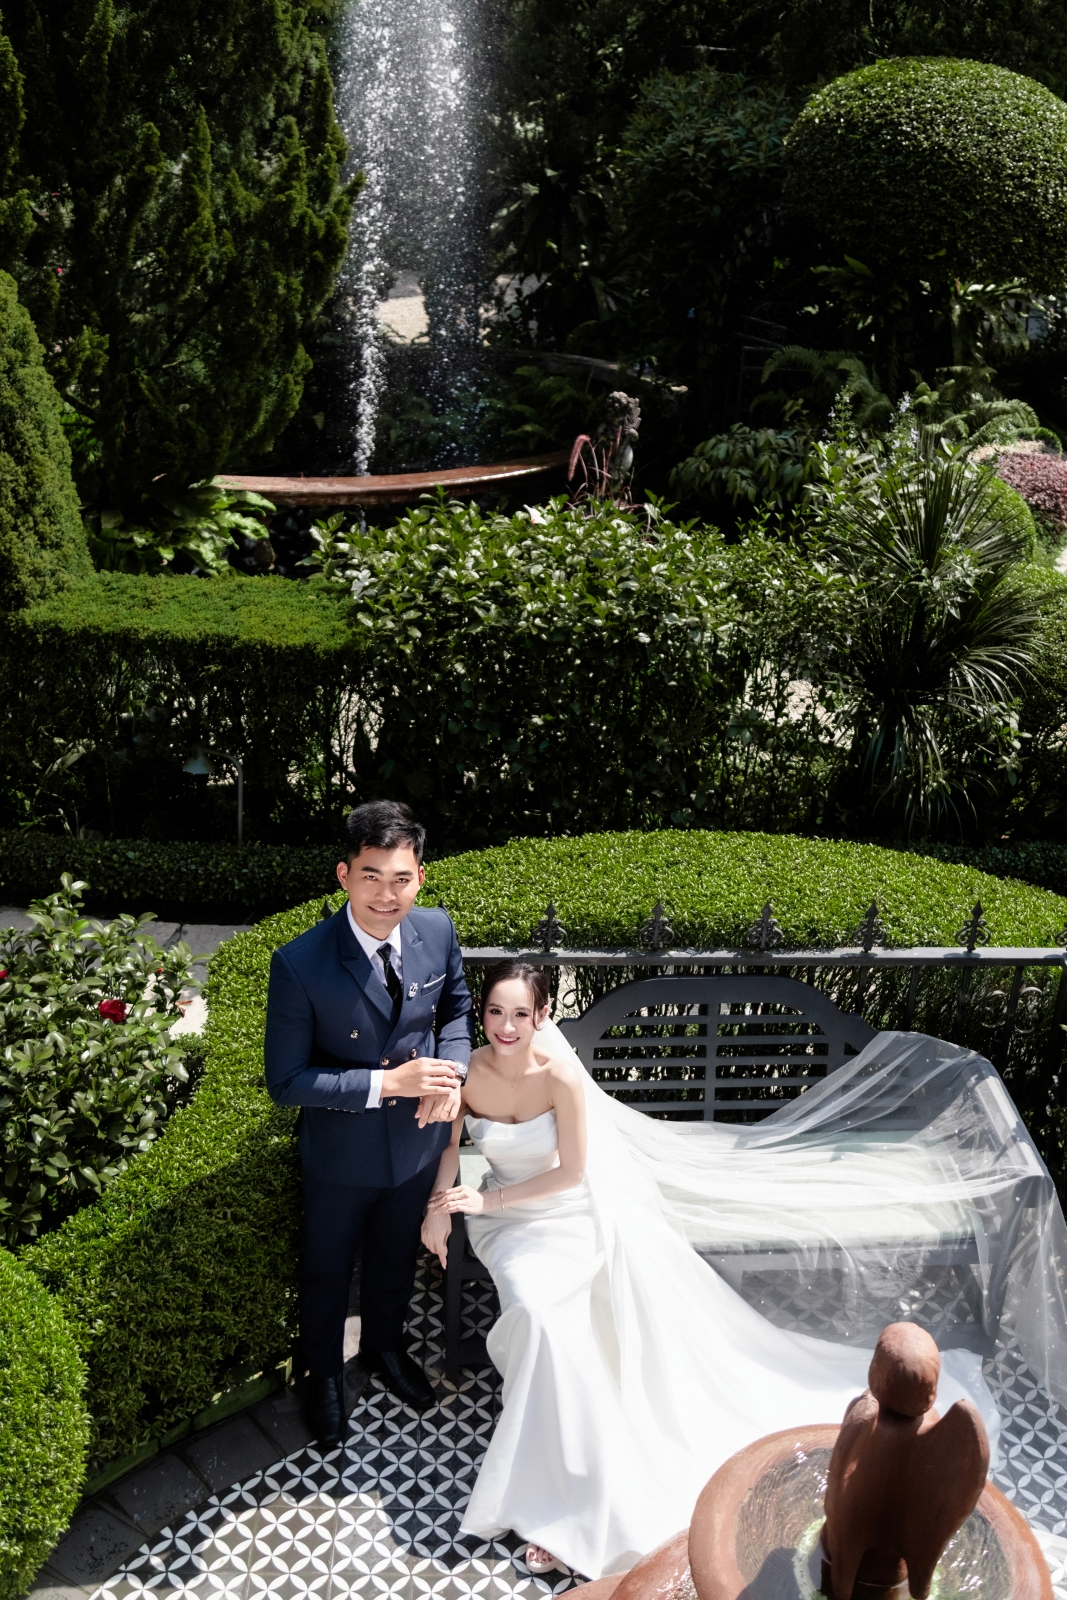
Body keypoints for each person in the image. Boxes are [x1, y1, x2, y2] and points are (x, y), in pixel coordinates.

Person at [421, 960, 1021, 1582]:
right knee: (540, 1316)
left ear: (542, 1016)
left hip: (565, 1212)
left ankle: (561, 1500)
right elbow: (447, 1147)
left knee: (559, 1328)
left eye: (521, 1014)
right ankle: (557, 1478)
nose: (507, 1026)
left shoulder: (559, 1077)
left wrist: (487, 1201)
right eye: (496, 1013)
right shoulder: (467, 1072)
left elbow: (572, 1173)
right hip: (508, 1228)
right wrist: (440, 1207)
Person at [265, 801, 472, 1445]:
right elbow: (286, 1082)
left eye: (401, 878)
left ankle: (384, 1347)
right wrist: (389, 1084)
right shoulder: (300, 963)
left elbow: (457, 1011)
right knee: (327, 1270)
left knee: (394, 1258)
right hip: (341, 1154)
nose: (387, 895)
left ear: (420, 877)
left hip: (415, 1145)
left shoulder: (436, 929)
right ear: (344, 874)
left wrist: (452, 1075)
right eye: (371, 876)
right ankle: (323, 1374)